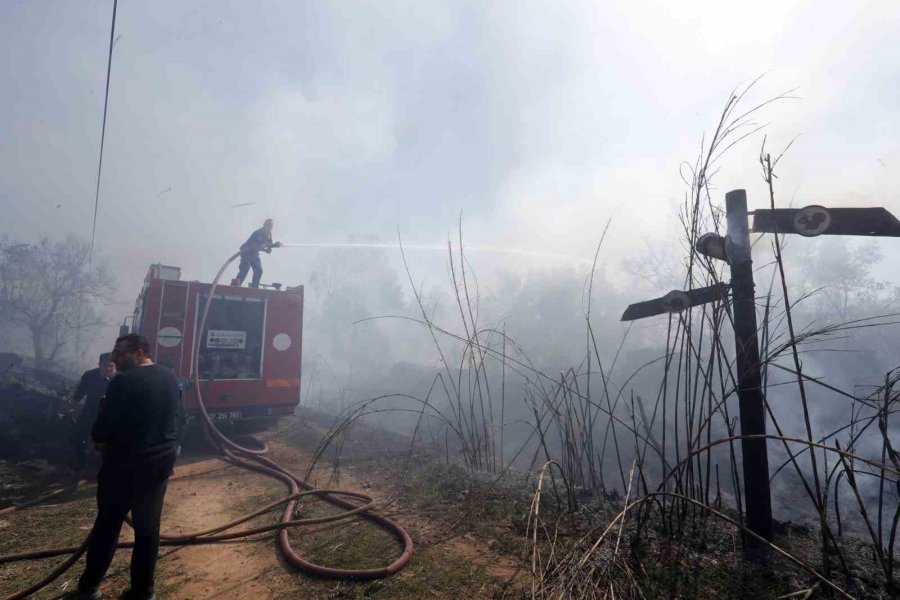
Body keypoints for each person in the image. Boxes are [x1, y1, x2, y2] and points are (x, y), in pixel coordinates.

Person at [67, 334, 185, 600]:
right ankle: (143, 592)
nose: (114, 358)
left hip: (123, 466)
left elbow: (102, 430)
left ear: (140, 353)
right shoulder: (170, 377)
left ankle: (88, 589)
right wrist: (172, 450)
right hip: (159, 465)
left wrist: (99, 437)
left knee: (107, 526)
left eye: (120, 353)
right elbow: (180, 419)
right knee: (148, 530)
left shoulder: (123, 381)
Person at [66, 353, 117, 469]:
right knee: (78, 437)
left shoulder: (121, 378)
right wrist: (69, 407)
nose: (108, 369)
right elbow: (79, 394)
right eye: (105, 365)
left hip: (111, 415)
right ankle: (80, 463)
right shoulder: (90, 375)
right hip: (90, 410)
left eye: (111, 366)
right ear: (99, 364)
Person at [233, 218, 281, 288]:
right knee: (245, 268)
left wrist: (275, 245)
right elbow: (254, 246)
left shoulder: (269, 234)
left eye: (271, 226)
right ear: (264, 225)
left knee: (258, 270)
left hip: (254, 253)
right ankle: (235, 286)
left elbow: (269, 247)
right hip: (246, 251)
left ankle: (254, 287)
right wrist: (265, 250)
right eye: (268, 225)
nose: (270, 228)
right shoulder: (258, 232)